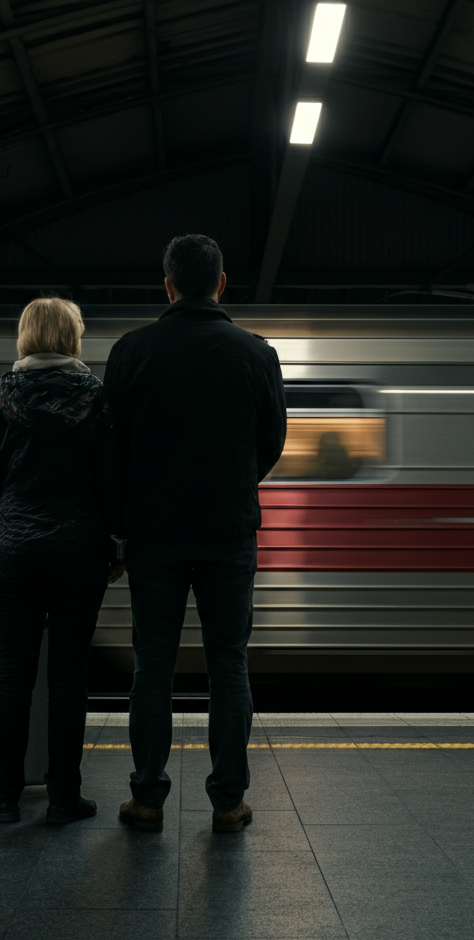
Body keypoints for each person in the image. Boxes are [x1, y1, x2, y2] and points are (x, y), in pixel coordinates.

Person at [105, 234, 287, 833]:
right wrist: (232, 483)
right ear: (222, 283)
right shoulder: (256, 354)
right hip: (228, 534)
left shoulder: (131, 352)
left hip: (154, 535)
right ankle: (228, 801)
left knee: (151, 665)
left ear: (168, 284)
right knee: (227, 665)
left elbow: (116, 451)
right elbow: (271, 445)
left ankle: (147, 798)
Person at [0, 297, 122, 825]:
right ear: (72, 338)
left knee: (12, 677)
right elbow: (109, 479)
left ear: (26, 335)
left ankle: (4, 797)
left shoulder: (0, 392)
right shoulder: (96, 395)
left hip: (15, 548)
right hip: (80, 550)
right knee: (68, 679)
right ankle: (63, 797)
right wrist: (116, 545)